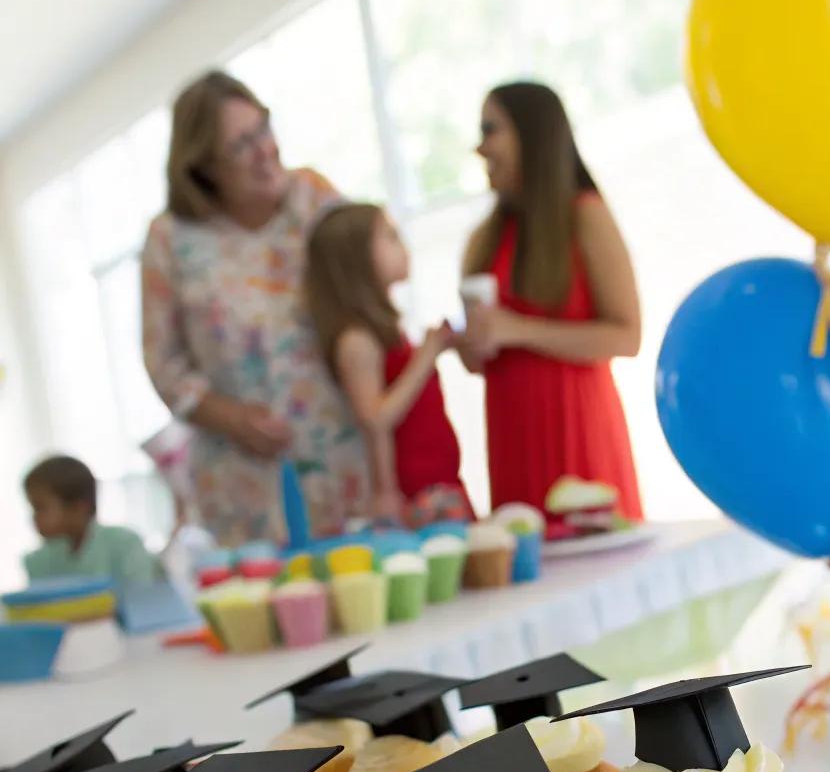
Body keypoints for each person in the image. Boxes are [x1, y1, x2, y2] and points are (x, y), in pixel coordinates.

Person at [141, 70, 369, 547]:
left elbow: (373, 291)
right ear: (203, 168)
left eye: (262, 128)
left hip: (341, 455)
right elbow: (162, 362)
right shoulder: (170, 239)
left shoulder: (315, 198)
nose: (264, 150)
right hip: (241, 480)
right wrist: (229, 416)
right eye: (240, 145)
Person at [462, 81, 643, 517]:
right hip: (513, 440)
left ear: (533, 135)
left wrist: (518, 329)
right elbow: (477, 359)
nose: (480, 147)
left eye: (491, 130)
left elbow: (627, 336)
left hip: (579, 432)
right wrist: (469, 343)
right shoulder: (486, 239)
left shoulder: (585, 214)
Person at [305, 203, 472, 527]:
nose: (403, 246)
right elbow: (376, 418)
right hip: (412, 490)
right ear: (359, 259)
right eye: (391, 238)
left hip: (436, 475)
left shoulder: (384, 330)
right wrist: (427, 355)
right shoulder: (356, 339)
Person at [22, 455, 160, 585]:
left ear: (78, 507)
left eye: (39, 507)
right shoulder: (38, 561)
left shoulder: (124, 545)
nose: (34, 517)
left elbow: (141, 602)